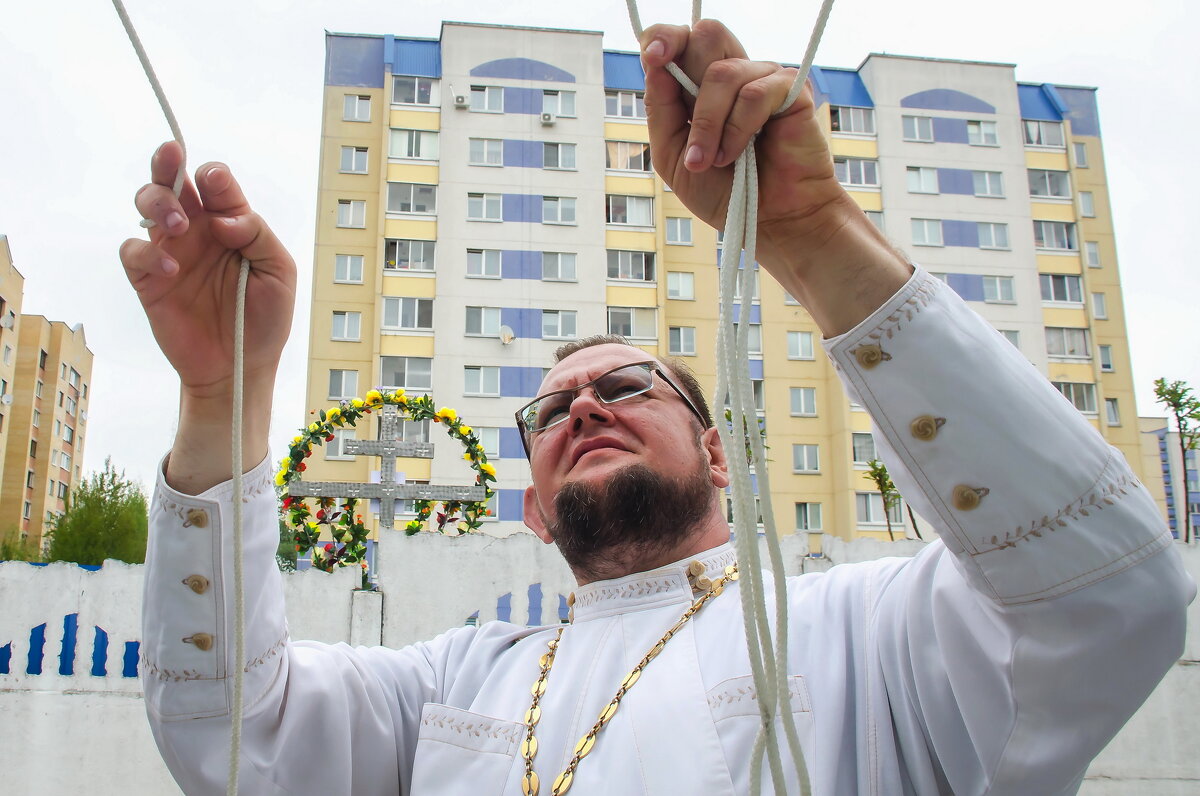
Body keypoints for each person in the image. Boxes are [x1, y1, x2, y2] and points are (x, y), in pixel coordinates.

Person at [126, 20, 1192, 795]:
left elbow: (1106, 596)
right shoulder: (452, 687)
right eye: (548, 413)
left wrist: (814, 237)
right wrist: (222, 397)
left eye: (626, 384)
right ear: (535, 511)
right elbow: (229, 736)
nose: (583, 404)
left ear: (720, 453)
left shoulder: (870, 632)